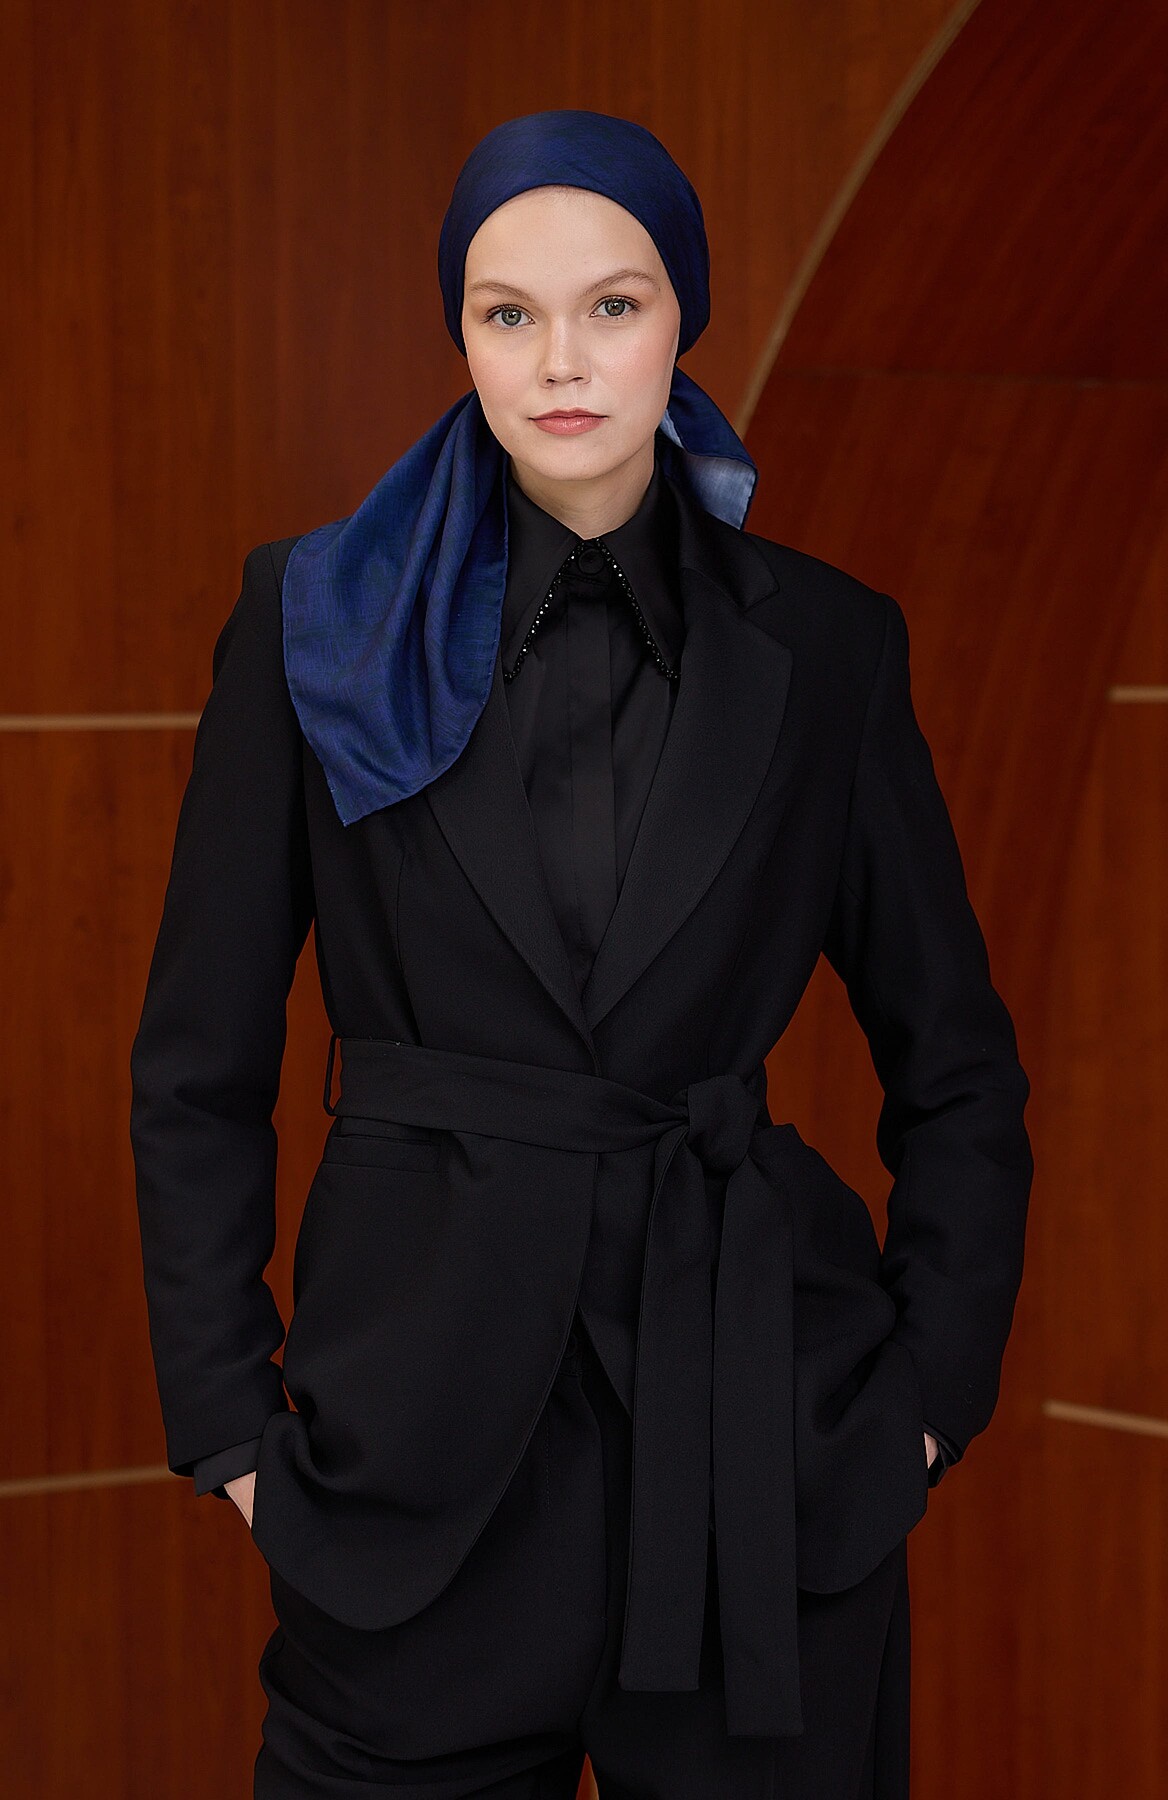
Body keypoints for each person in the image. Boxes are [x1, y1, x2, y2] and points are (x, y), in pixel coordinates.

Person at [130, 109, 1033, 1798]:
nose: (562, 360)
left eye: (613, 306)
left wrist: (924, 1404)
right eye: (509, 313)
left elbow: (960, 1067)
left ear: (684, 317)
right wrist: (231, 1428)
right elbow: (197, 1063)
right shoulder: (311, 619)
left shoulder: (830, 645)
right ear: (461, 332)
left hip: (763, 1450)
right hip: (406, 1463)